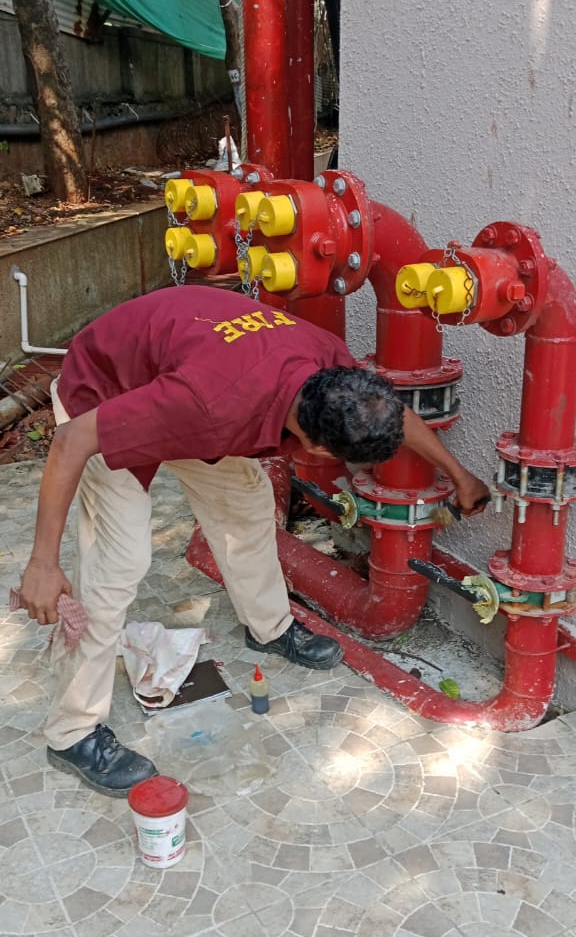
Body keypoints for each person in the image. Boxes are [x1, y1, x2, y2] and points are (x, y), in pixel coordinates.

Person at [17, 285, 490, 797]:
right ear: (313, 446)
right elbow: (70, 442)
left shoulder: (329, 370)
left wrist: (458, 474)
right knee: (120, 559)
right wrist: (43, 564)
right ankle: (73, 732)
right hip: (104, 392)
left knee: (246, 505)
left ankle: (270, 627)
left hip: (177, 376)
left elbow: (390, 413)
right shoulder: (209, 403)